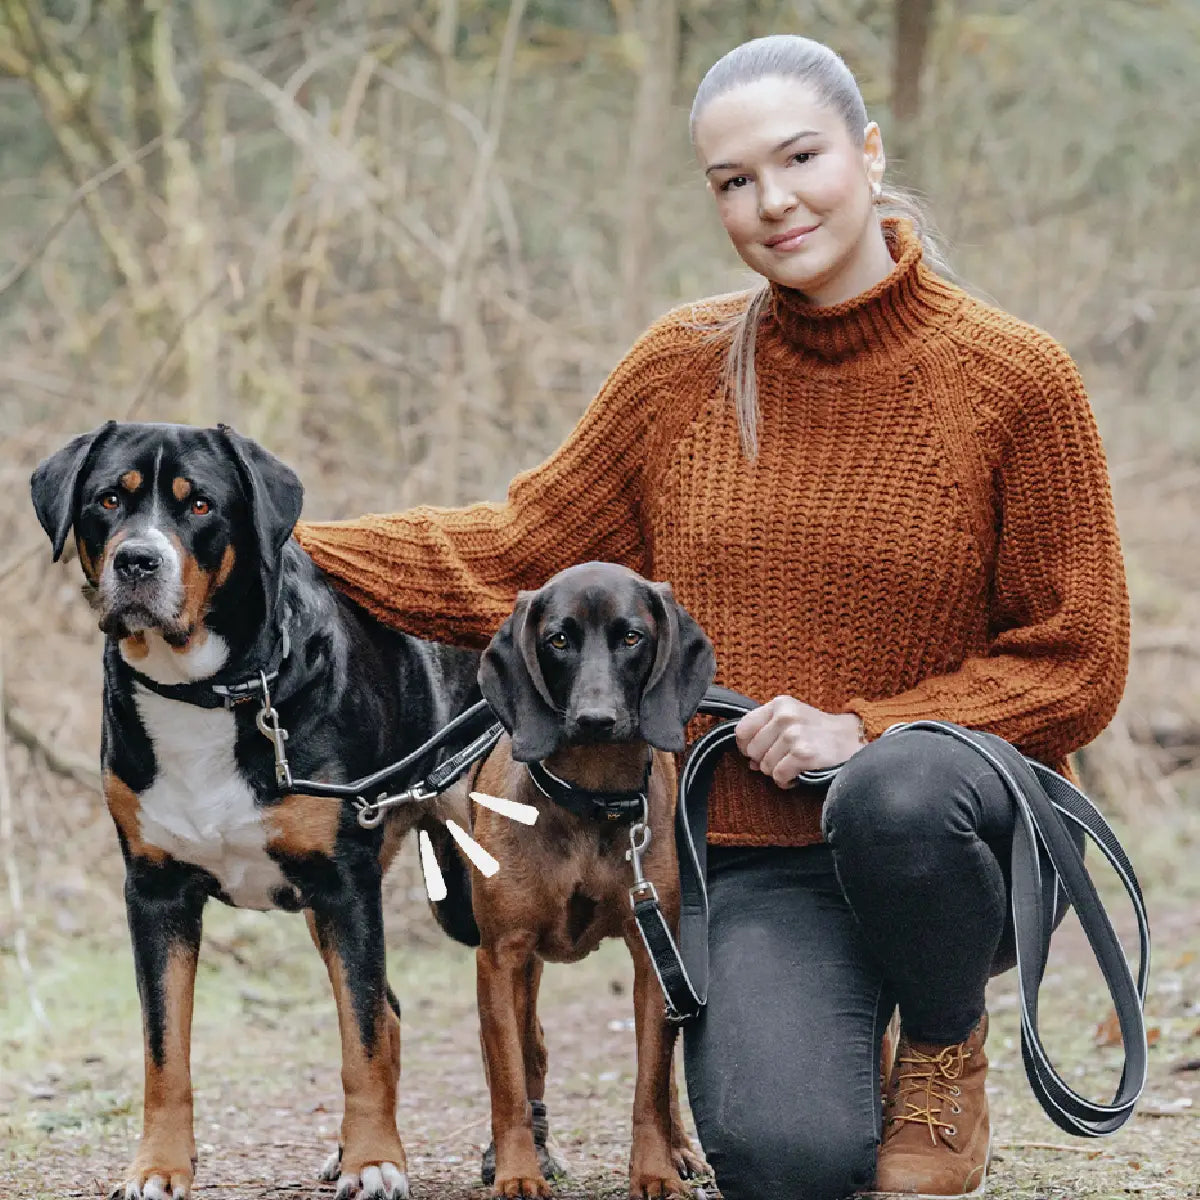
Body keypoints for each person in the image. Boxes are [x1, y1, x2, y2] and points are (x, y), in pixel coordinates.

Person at [293, 33, 1129, 1200]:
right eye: (732, 182)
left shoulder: (1015, 379)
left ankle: (942, 1047)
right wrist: (275, 541)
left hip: (950, 843)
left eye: (800, 158)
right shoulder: (679, 370)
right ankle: (836, 1046)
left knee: (898, 786)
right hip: (747, 858)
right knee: (785, 1158)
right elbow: (518, 547)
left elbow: (1078, 660)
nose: (771, 202)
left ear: (870, 152)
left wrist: (867, 727)